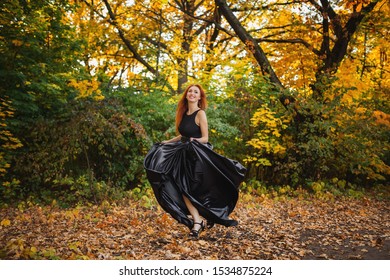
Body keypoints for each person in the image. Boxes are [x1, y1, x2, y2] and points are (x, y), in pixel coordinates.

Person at [144, 84, 246, 238]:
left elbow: (205, 139)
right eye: (190, 91)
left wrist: (193, 140)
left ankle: (206, 217)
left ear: (199, 97)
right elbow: (182, 135)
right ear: (186, 95)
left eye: (195, 92)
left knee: (196, 190)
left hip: (196, 158)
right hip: (183, 156)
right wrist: (167, 142)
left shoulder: (201, 114)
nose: (192, 93)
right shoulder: (184, 114)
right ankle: (197, 222)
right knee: (182, 188)